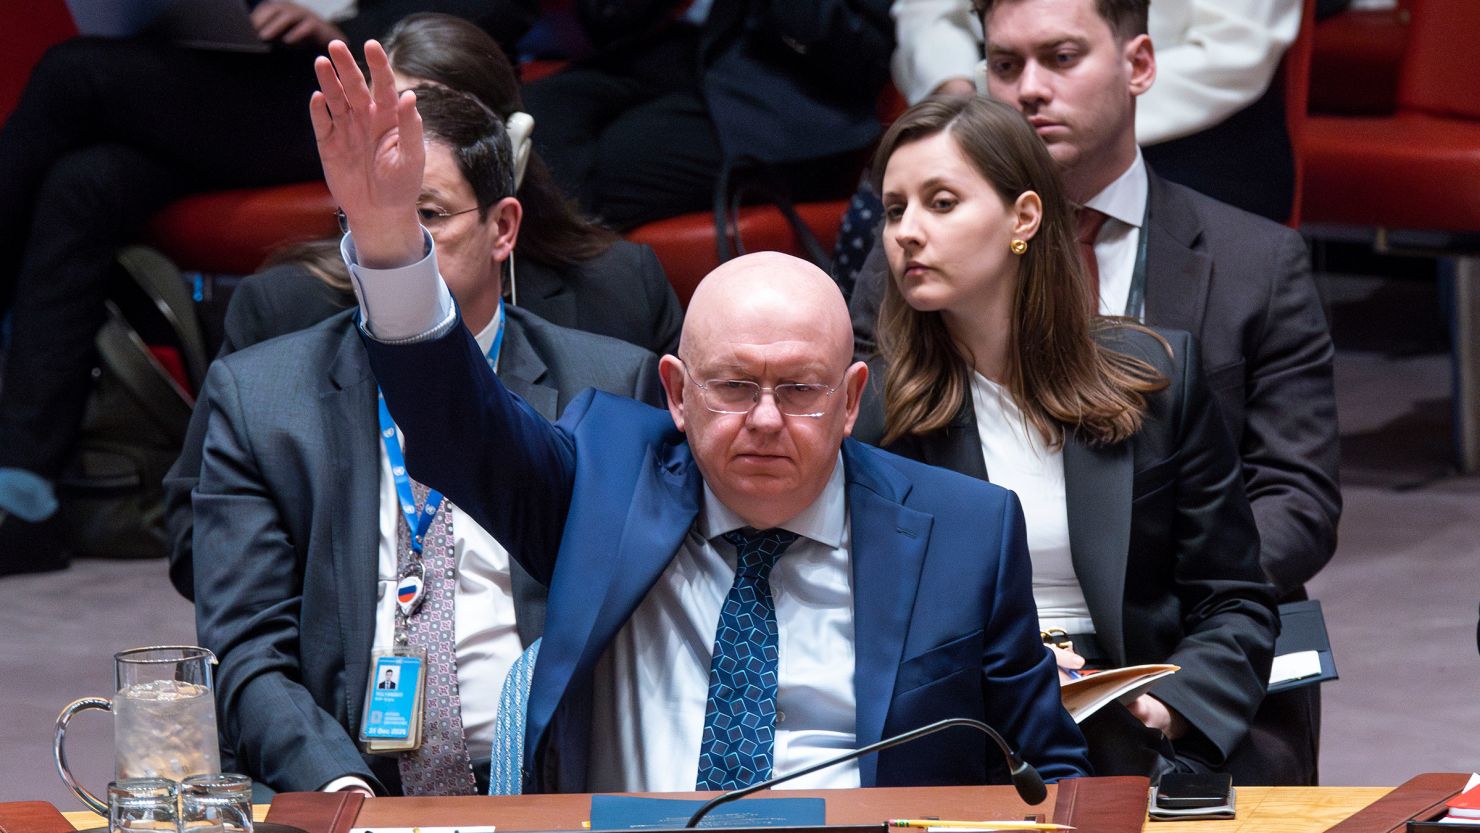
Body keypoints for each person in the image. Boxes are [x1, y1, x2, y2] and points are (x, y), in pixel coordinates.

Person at [316, 39, 1091, 792]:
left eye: (797, 389)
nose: (762, 419)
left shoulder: (966, 533)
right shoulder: (604, 485)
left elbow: (1047, 776)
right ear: (676, 393)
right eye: (731, 386)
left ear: (852, 399)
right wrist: (387, 240)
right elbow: (455, 425)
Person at [852, 0, 1338, 785]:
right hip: (981, 680)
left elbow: (1296, 499)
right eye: (1004, 66)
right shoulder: (910, 288)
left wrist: (1146, 591)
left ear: (1140, 65)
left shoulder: (1256, 266)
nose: (1029, 90)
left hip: (1172, 639)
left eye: (1061, 58)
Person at [181, 84, 663, 796]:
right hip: (345, 779)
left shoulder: (610, 385)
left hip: (544, 786)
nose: (396, 239)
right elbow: (247, 649)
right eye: (371, 217)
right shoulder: (261, 398)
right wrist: (338, 790)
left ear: (504, 228)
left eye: (426, 214)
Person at [0, 2, 539, 575]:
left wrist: (352, 33)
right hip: (245, 62)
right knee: (82, 185)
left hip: (351, 70)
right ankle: (24, 486)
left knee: (71, 73)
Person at [162, 12, 682, 602]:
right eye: (383, 133)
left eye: (437, 128)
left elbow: (677, 513)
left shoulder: (617, 294)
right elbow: (201, 539)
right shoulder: (287, 306)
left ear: (509, 153)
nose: (402, 160)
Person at [889, 0, 1302, 221]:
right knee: (907, 206)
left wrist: (1084, 104)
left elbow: (1236, 48)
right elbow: (930, 15)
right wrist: (966, 94)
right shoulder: (1016, 87)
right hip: (999, 103)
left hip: (1193, 133)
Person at [519, 0, 894, 229]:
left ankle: (572, 323)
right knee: (534, 114)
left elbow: (861, 56)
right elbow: (602, 17)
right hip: (675, 52)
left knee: (611, 163)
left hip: (791, 95)